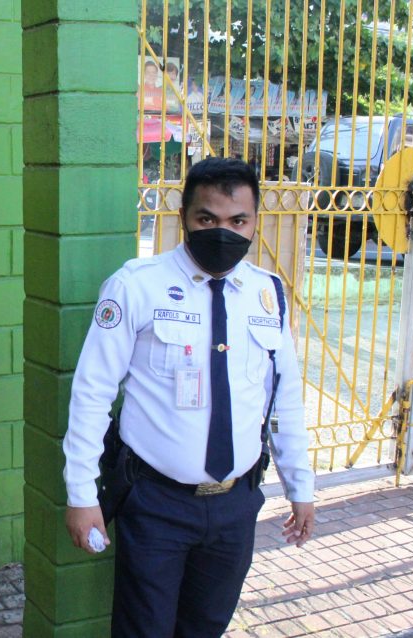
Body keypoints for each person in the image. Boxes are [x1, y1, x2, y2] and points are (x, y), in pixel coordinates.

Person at [63, 157, 315, 637]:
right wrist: (81, 494)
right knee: (145, 631)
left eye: (238, 221)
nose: (224, 232)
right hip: (157, 503)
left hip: (235, 506)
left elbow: (283, 399)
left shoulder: (268, 295)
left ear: (255, 220)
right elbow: (92, 392)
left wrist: (299, 487)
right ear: (184, 216)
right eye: (208, 219)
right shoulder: (137, 285)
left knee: (206, 627)